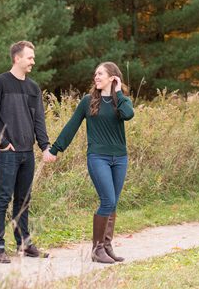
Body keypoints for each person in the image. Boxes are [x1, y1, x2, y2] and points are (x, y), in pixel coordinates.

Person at [45, 62, 135, 264]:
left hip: (120, 158)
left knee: (113, 203)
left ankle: (107, 245)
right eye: (95, 74)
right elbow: (72, 126)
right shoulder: (88, 101)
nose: (96, 77)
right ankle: (97, 249)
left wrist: (118, 92)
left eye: (100, 74)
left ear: (113, 78)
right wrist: (55, 149)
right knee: (107, 200)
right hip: (98, 157)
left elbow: (128, 115)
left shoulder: (121, 101)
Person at [0, 40, 55, 263]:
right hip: (7, 153)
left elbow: (38, 121)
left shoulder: (33, 88)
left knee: (23, 200)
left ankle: (24, 244)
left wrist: (44, 146)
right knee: (2, 198)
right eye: (30, 57)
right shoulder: (0, 83)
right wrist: (1, 143)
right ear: (17, 58)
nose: (33, 61)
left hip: (27, 153)